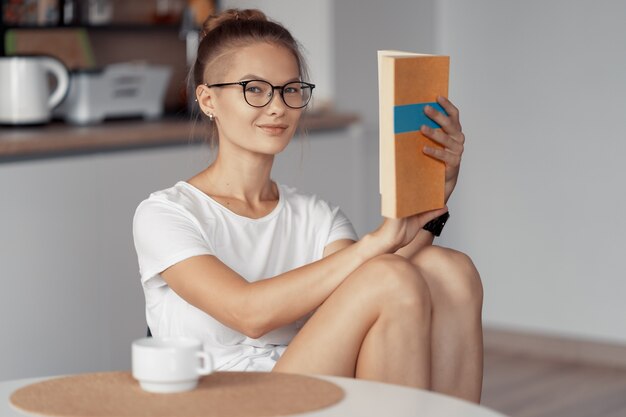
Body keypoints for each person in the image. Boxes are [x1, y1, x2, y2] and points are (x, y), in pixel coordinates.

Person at [133, 8, 483, 403]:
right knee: (387, 275)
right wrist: (374, 242)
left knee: (450, 270)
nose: (278, 106)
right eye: (255, 88)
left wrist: (440, 190)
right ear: (208, 99)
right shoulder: (166, 213)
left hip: (309, 387)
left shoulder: (316, 214)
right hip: (223, 402)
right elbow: (249, 314)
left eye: (291, 89)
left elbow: (380, 281)